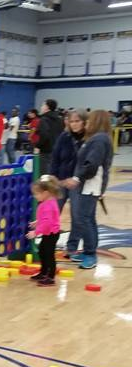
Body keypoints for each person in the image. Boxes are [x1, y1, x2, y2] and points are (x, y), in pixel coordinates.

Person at [63, 110, 113, 270]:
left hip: (88, 185)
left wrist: (77, 178)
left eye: (90, 120)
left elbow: (91, 164)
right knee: (88, 219)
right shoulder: (97, 138)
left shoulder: (99, 139)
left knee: (84, 219)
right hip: (88, 184)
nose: (87, 123)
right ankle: (88, 251)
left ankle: (91, 254)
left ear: (96, 121)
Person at [27, 176, 62, 287]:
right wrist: (38, 222)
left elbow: (47, 223)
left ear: (46, 193)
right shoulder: (48, 202)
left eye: (37, 194)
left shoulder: (49, 205)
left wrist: (35, 232)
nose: (35, 196)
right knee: (42, 251)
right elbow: (46, 218)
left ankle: (50, 277)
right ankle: (43, 272)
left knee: (49, 254)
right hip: (49, 233)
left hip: (51, 233)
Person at [50, 110, 86, 215]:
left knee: (77, 215)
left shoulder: (89, 139)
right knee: (53, 213)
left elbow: (88, 163)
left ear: (84, 122)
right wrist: (53, 176)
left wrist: (77, 178)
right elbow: (55, 157)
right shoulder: (64, 136)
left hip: (78, 183)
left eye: (77, 121)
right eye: (71, 121)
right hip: (61, 181)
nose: (74, 124)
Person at [37, 99, 64, 175]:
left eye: (42, 105)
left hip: (45, 151)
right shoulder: (60, 120)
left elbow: (44, 134)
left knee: (44, 176)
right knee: (53, 175)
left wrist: (38, 146)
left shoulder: (43, 120)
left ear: (47, 107)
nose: (41, 107)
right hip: (57, 151)